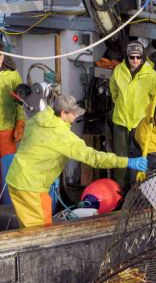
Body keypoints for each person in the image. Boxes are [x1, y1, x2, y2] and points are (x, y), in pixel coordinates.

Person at [6, 94, 147, 228]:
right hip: (31, 186)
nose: (77, 115)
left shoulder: (38, 118)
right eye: (73, 113)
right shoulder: (63, 137)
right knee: (40, 233)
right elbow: (94, 158)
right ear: (62, 113)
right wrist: (127, 162)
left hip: (15, 178)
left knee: (29, 226)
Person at [109, 41, 156, 190]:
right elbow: (113, 90)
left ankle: (138, 192)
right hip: (120, 123)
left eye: (138, 57)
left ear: (143, 57)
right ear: (127, 57)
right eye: (132, 57)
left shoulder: (152, 75)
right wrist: (119, 105)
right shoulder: (118, 71)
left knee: (140, 161)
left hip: (140, 125)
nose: (135, 60)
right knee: (120, 159)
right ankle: (120, 193)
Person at [0, 45, 25, 158]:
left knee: (8, 168)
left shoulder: (12, 73)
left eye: (1, 55)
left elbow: (20, 102)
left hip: (6, 130)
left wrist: (20, 123)